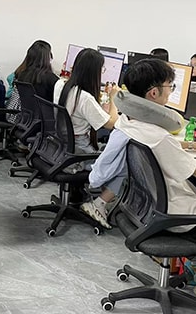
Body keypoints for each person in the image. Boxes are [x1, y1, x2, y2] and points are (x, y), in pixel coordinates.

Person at [81, 58, 196, 235]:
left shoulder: (127, 122)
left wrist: (187, 144)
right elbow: (190, 170)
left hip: (143, 206)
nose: (171, 91)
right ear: (154, 93)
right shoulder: (160, 138)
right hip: (177, 213)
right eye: (170, 86)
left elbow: (157, 144)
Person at [54, 48, 119, 157]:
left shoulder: (60, 84)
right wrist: (113, 98)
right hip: (80, 148)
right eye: (102, 69)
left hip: (61, 142)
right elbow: (112, 124)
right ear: (94, 72)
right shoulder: (84, 98)